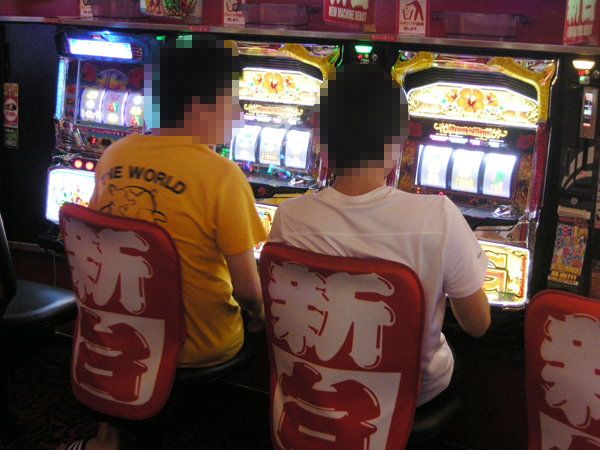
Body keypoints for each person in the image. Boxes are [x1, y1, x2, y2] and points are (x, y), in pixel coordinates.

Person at [60, 35, 266, 450]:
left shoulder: (114, 155)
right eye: (234, 100)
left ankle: (108, 436)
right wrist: (263, 317)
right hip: (199, 345)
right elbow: (248, 292)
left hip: (121, 331)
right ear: (203, 104)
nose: (240, 114)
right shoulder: (223, 177)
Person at [266, 63, 491, 408]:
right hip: (413, 396)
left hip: (316, 385)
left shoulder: (289, 217)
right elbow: (478, 325)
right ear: (399, 142)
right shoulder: (439, 216)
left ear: (321, 142)